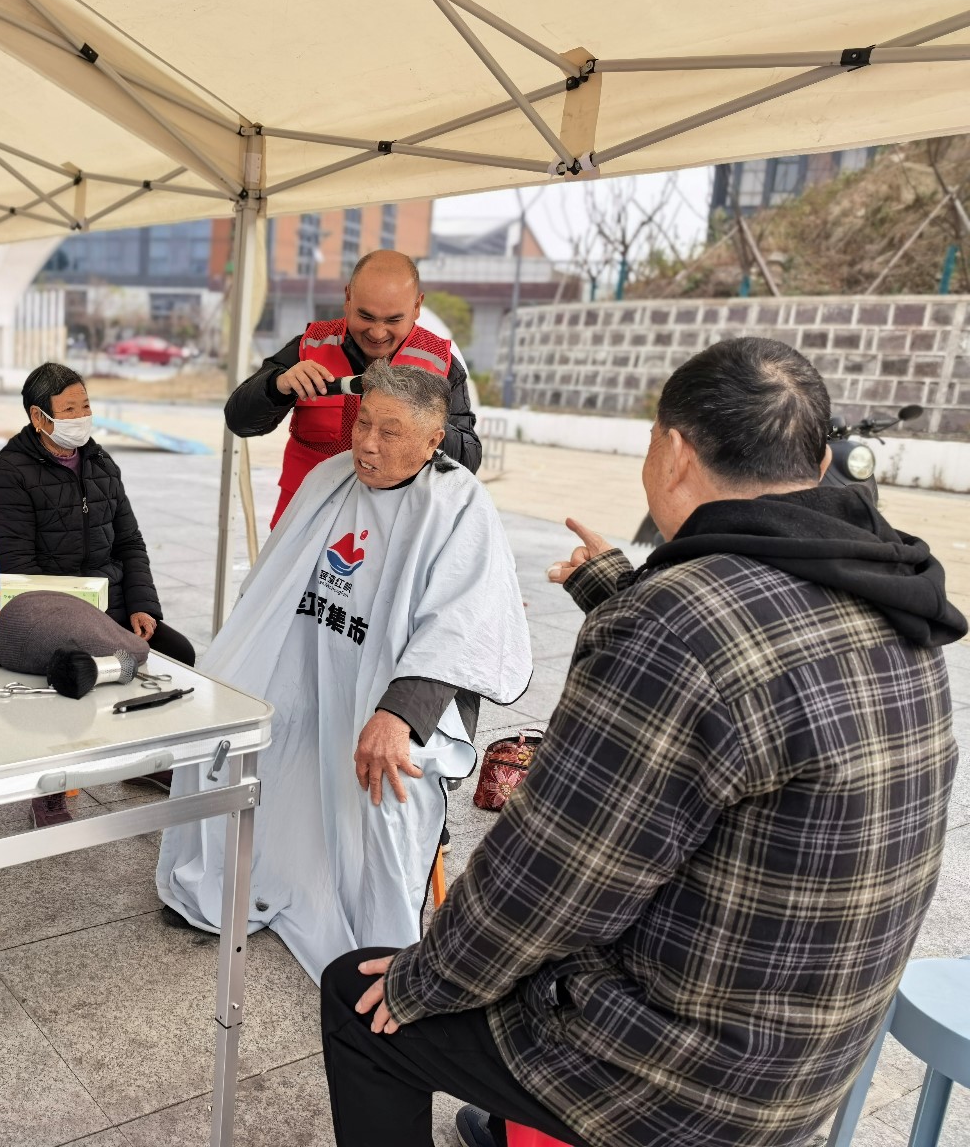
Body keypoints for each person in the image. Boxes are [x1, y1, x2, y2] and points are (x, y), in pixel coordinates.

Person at [321, 337, 965, 1147]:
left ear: (674, 450)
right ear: (818, 460)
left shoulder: (676, 625)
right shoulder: (890, 588)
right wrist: (620, 591)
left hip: (692, 1081)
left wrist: (421, 981)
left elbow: (549, 880)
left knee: (360, 1000)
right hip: (814, 1054)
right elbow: (753, 677)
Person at [158, 360, 530, 981]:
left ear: (433, 441)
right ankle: (252, 877)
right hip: (312, 666)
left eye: (390, 431)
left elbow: (462, 629)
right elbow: (272, 586)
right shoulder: (330, 478)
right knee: (234, 733)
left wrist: (398, 715)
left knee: (389, 782)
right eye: (363, 424)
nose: (367, 443)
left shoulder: (458, 504)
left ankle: (373, 934)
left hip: (404, 696)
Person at [0, 362, 198, 827]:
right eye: (69, 409)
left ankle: (147, 761)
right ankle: (50, 785)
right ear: (39, 417)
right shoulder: (11, 470)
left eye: (85, 405)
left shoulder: (100, 462)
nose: (82, 416)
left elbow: (130, 543)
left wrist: (142, 605)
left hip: (115, 606)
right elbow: (19, 568)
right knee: (72, 674)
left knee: (179, 654)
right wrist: (84, 625)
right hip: (53, 612)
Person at [225, 249, 482, 526]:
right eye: (366, 317)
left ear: (417, 306)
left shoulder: (442, 363)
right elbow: (239, 422)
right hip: (307, 523)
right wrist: (277, 385)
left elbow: (468, 460)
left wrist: (421, 424)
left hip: (393, 529)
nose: (377, 333)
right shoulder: (309, 345)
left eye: (393, 320)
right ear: (347, 298)